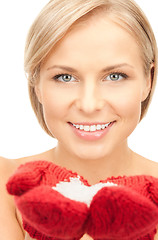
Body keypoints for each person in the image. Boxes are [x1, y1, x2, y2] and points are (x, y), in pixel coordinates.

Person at [0, 0, 158, 239]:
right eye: (65, 77)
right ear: (36, 84)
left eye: (115, 76)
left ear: (148, 80)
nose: (89, 104)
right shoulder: (6, 183)